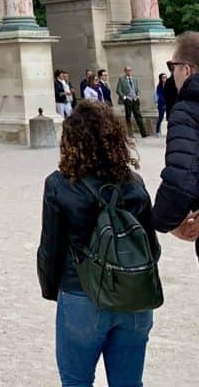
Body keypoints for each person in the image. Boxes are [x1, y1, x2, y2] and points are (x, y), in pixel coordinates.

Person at [37, 101, 159, 386]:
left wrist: (53, 291)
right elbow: (152, 249)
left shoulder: (59, 185)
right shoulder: (134, 182)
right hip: (134, 296)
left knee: (77, 382)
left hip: (82, 292)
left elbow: (50, 249)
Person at [152, 32, 199, 259]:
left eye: (174, 66)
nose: (173, 73)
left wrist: (166, 221)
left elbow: (182, 179)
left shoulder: (187, 110)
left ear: (187, 69)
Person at [115, 66, 148, 138]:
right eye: (127, 70)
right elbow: (118, 90)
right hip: (128, 100)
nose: (128, 72)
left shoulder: (134, 79)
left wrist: (138, 95)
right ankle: (130, 133)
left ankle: (143, 133)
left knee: (138, 116)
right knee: (128, 117)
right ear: (125, 71)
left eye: (130, 70)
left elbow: (137, 89)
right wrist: (124, 98)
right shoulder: (121, 79)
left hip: (135, 100)